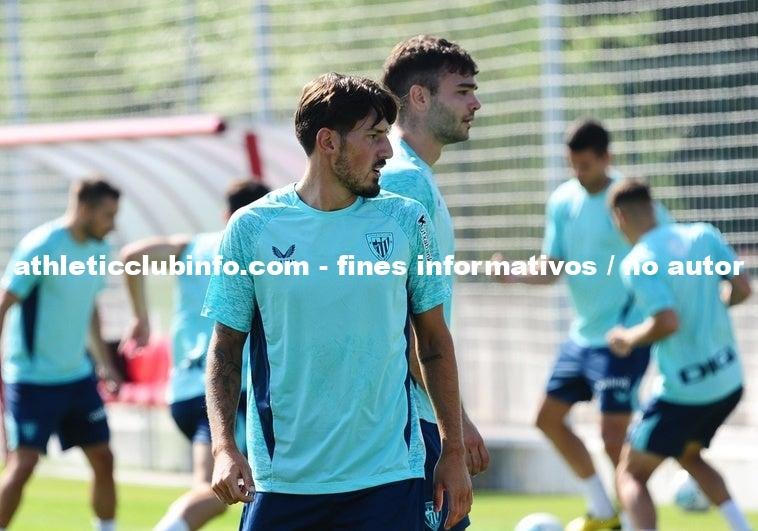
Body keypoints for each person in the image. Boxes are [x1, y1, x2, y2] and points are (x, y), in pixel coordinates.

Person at [202, 73, 472, 531]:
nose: (387, 151)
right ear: (328, 142)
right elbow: (225, 348)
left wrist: (453, 449)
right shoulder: (252, 228)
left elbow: (432, 343)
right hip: (284, 482)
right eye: (374, 136)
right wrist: (224, 447)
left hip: (389, 477)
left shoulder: (406, 220)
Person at [493, 120, 670, 531]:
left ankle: (634, 521)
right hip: (582, 336)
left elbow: (666, 247)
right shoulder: (563, 200)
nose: (578, 173)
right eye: (572, 165)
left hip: (622, 337)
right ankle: (603, 512)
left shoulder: (628, 199)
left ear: (607, 158)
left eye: (586, 165)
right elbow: (552, 265)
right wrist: (514, 273)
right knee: (547, 419)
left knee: (612, 437)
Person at [380, 34, 488, 531]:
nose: (475, 103)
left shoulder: (414, 175)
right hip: (405, 426)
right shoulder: (404, 181)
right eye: (462, 91)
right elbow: (405, 325)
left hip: (414, 419)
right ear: (420, 97)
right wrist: (455, 428)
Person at [119, 180, 270, 531]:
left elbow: (132, 256)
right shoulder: (258, 253)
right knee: (224, 490)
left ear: (225, 214)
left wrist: (141, 317)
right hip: (229, 393)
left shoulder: (193, 247)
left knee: (220, 486)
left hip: (185, 393)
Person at [606, 178, 752, 531]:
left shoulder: (639, 261)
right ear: (653, 207)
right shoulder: (704, 235)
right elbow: (743, 288)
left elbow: (667, 322)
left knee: (631, 473)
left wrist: (627, 338)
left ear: (619, 218)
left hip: (684, 392)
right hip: (729, 382)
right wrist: (714, 309)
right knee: (688, 455)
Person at [0, 178, 122, 531]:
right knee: (23, 465)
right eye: (107, 215)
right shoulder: (41, 246)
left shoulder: (100, 249)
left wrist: (105, 364)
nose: (113, 225)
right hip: (31, 379)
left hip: (77, 377)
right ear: (84, 209)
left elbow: (90, 307)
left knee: (103, 457)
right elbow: (5, 302)